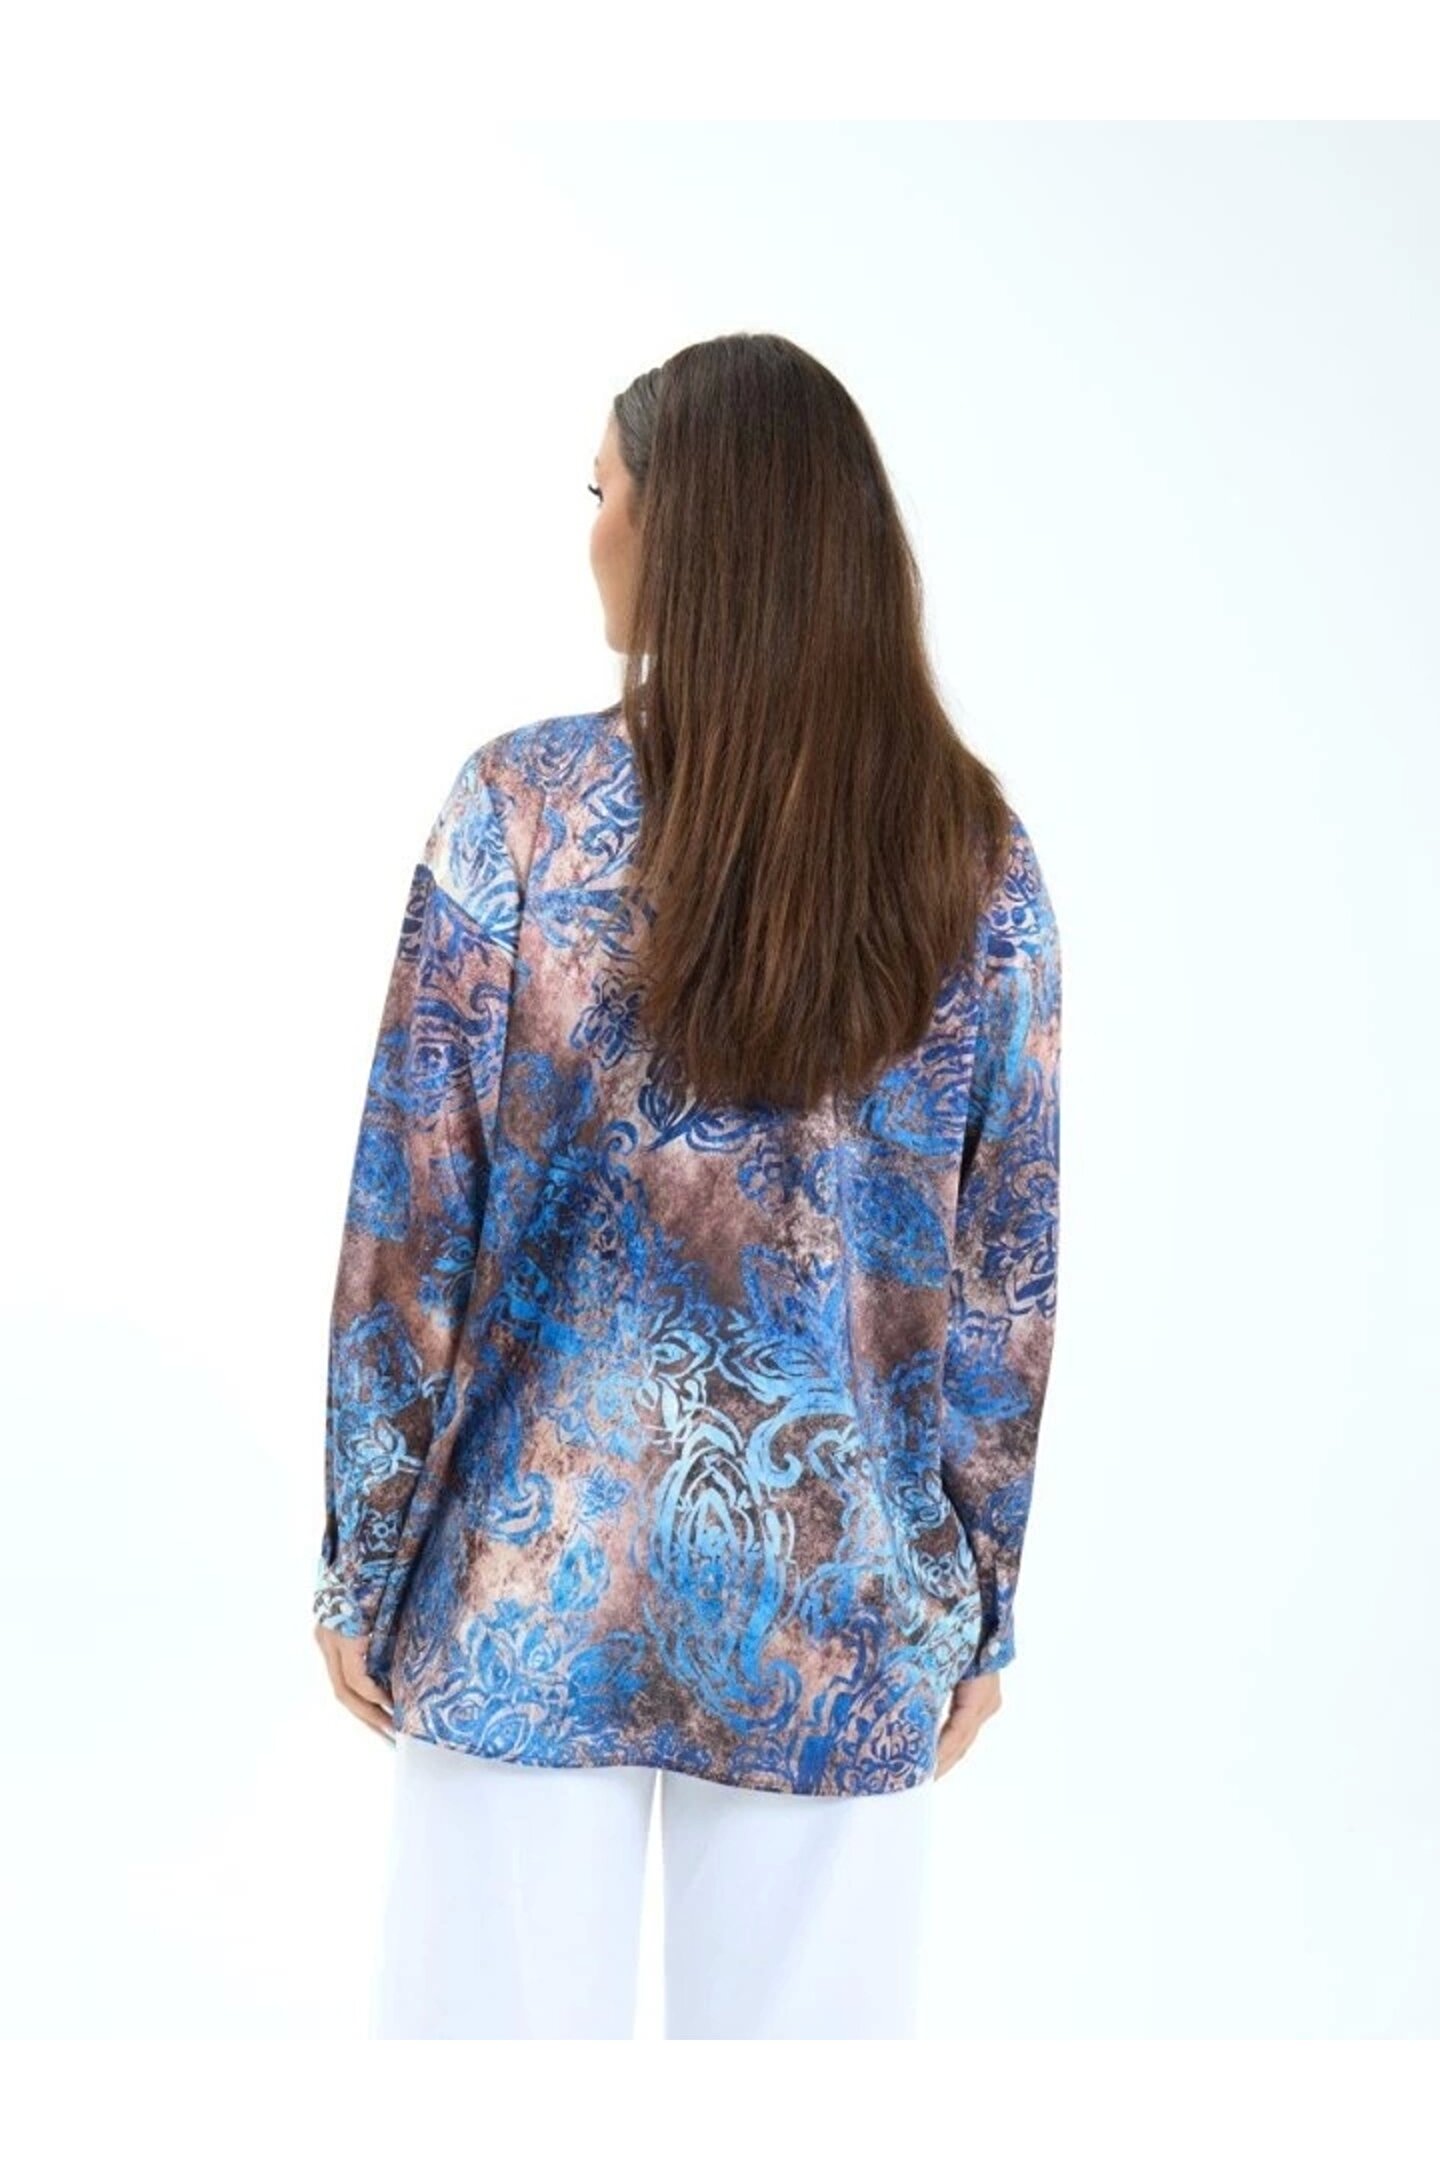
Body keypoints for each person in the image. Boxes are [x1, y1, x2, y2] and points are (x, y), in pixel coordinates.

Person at [312, 331, 1062, 2040]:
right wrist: (975, 1596)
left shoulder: (518, 810)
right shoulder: (970, 853)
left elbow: (412, 1218)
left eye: (603, 490)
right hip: (836, 1598)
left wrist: (366, 1552)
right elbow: (1005, 1274)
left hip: (522, 1583)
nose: (589, 530)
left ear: (688, 525)